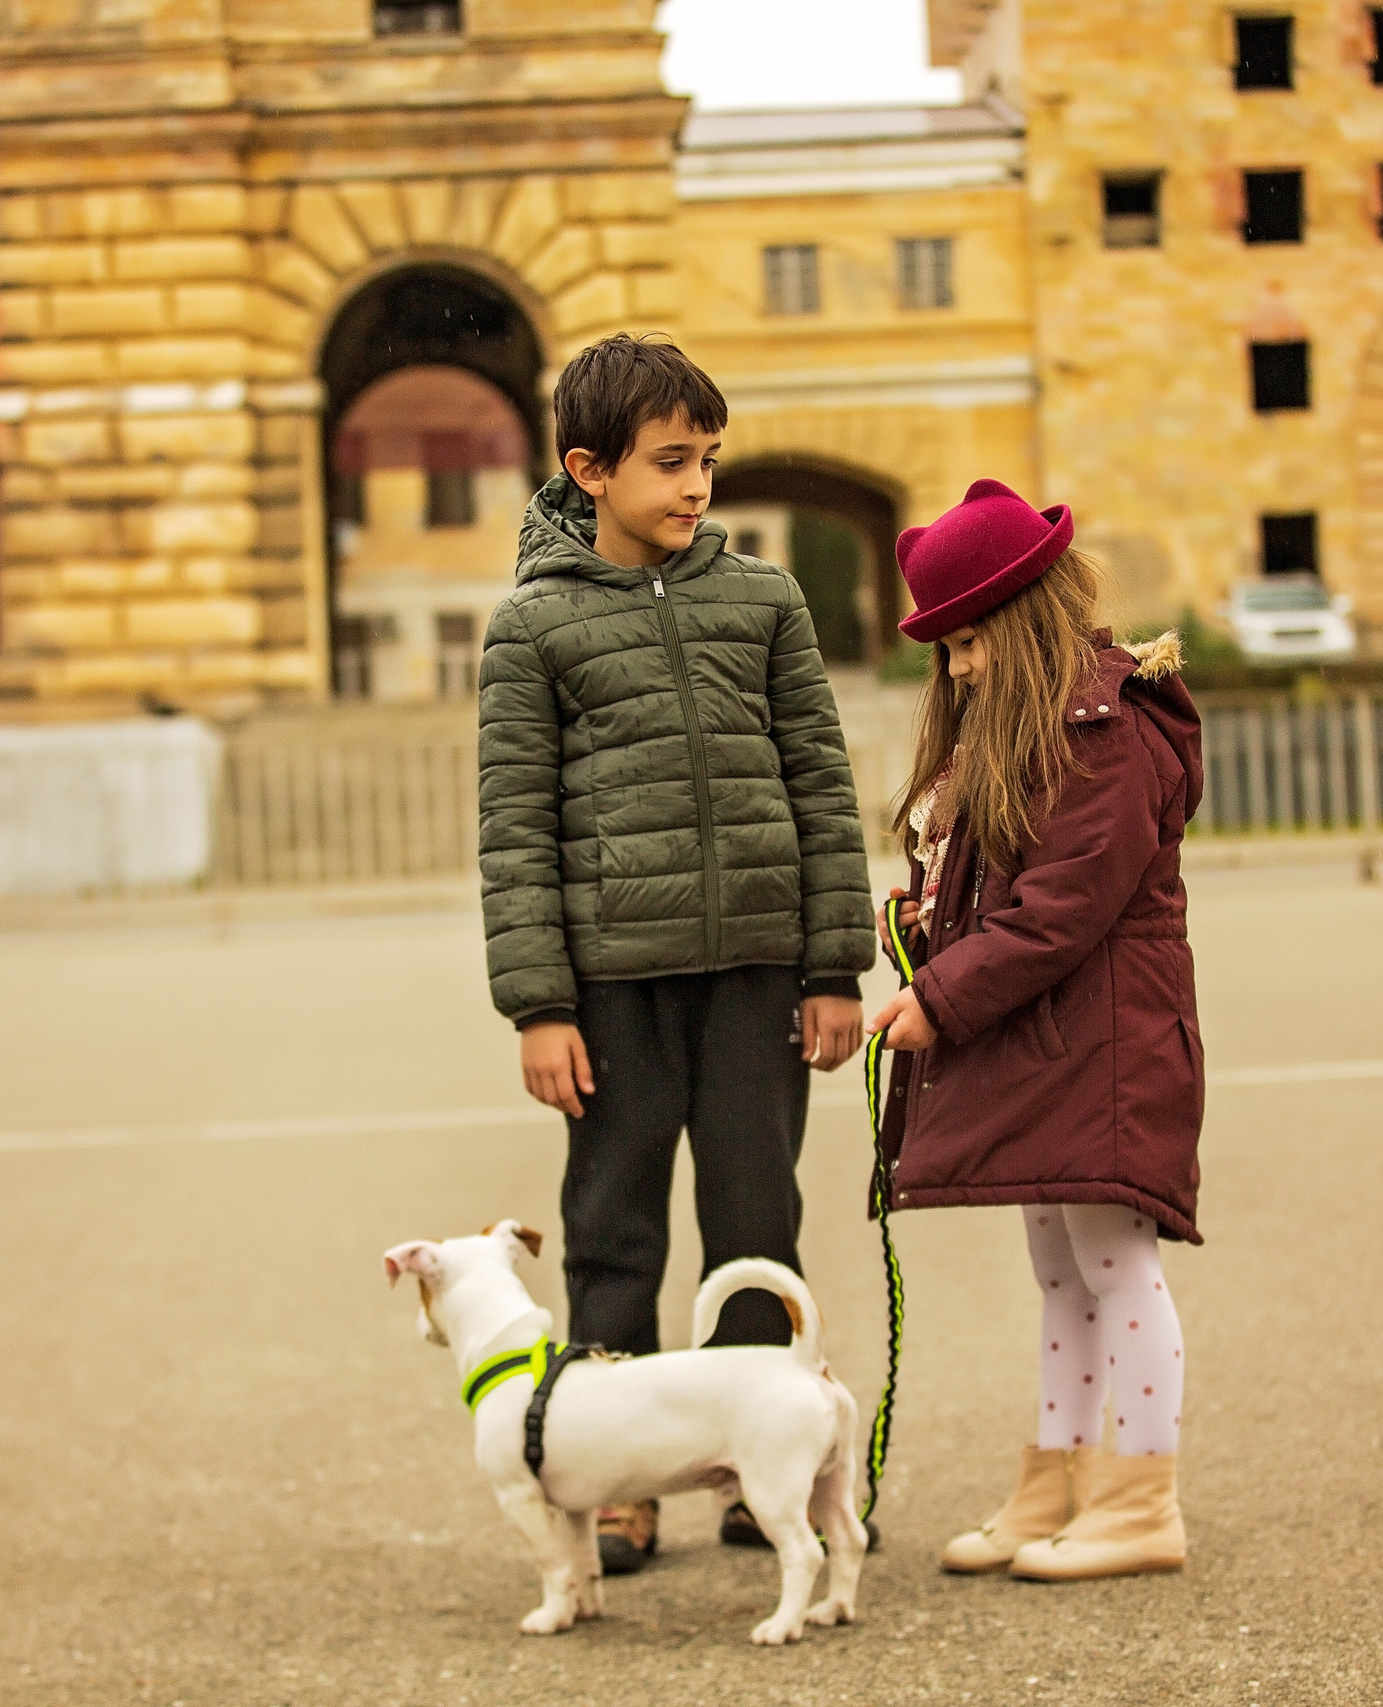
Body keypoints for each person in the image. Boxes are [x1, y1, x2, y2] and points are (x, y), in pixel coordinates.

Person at [477, 334, 875, 1574]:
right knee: (613, 1232)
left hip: (757, 971)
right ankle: (619, 1484)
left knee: (757, 1221)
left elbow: (819, 780)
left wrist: (831, 965)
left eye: (706, 458)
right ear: (586, 469)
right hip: (611, 988)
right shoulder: (531, 627)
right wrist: (539, 1003)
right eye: (668, 462)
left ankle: (765, 1478)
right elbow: (515, 826)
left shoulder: (763, 600)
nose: (695, 485)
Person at [865, 478, 1207, 1582]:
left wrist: (943, 997)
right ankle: (1054, 1480)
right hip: (1060, 1045)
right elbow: (1010, 894)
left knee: (1115, 1265)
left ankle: (1140, 1498)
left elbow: (1060, 911)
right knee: (1062, 1274)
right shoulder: (1040, 730)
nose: (956, 667)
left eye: (964, 642)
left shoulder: (1104, 732)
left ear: (1012, 625)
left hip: (1103, 1046)